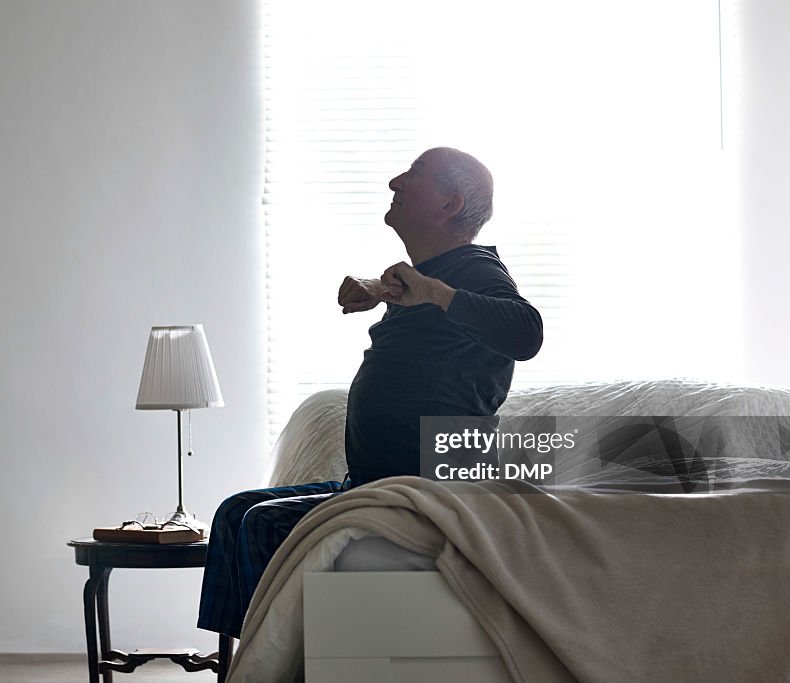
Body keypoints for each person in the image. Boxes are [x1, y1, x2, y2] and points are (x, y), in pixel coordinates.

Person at [198, 147, 543, 640]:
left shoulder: (475, 271)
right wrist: (382, 289)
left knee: (262, 526)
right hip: (373, 483)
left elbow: (526, 333)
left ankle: (276, 667)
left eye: (415, 173)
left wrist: (432, 293)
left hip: (426, 493)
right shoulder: (438, 276)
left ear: (449, 204)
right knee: (235, 513)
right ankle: (243, 666)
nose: (395, 182)